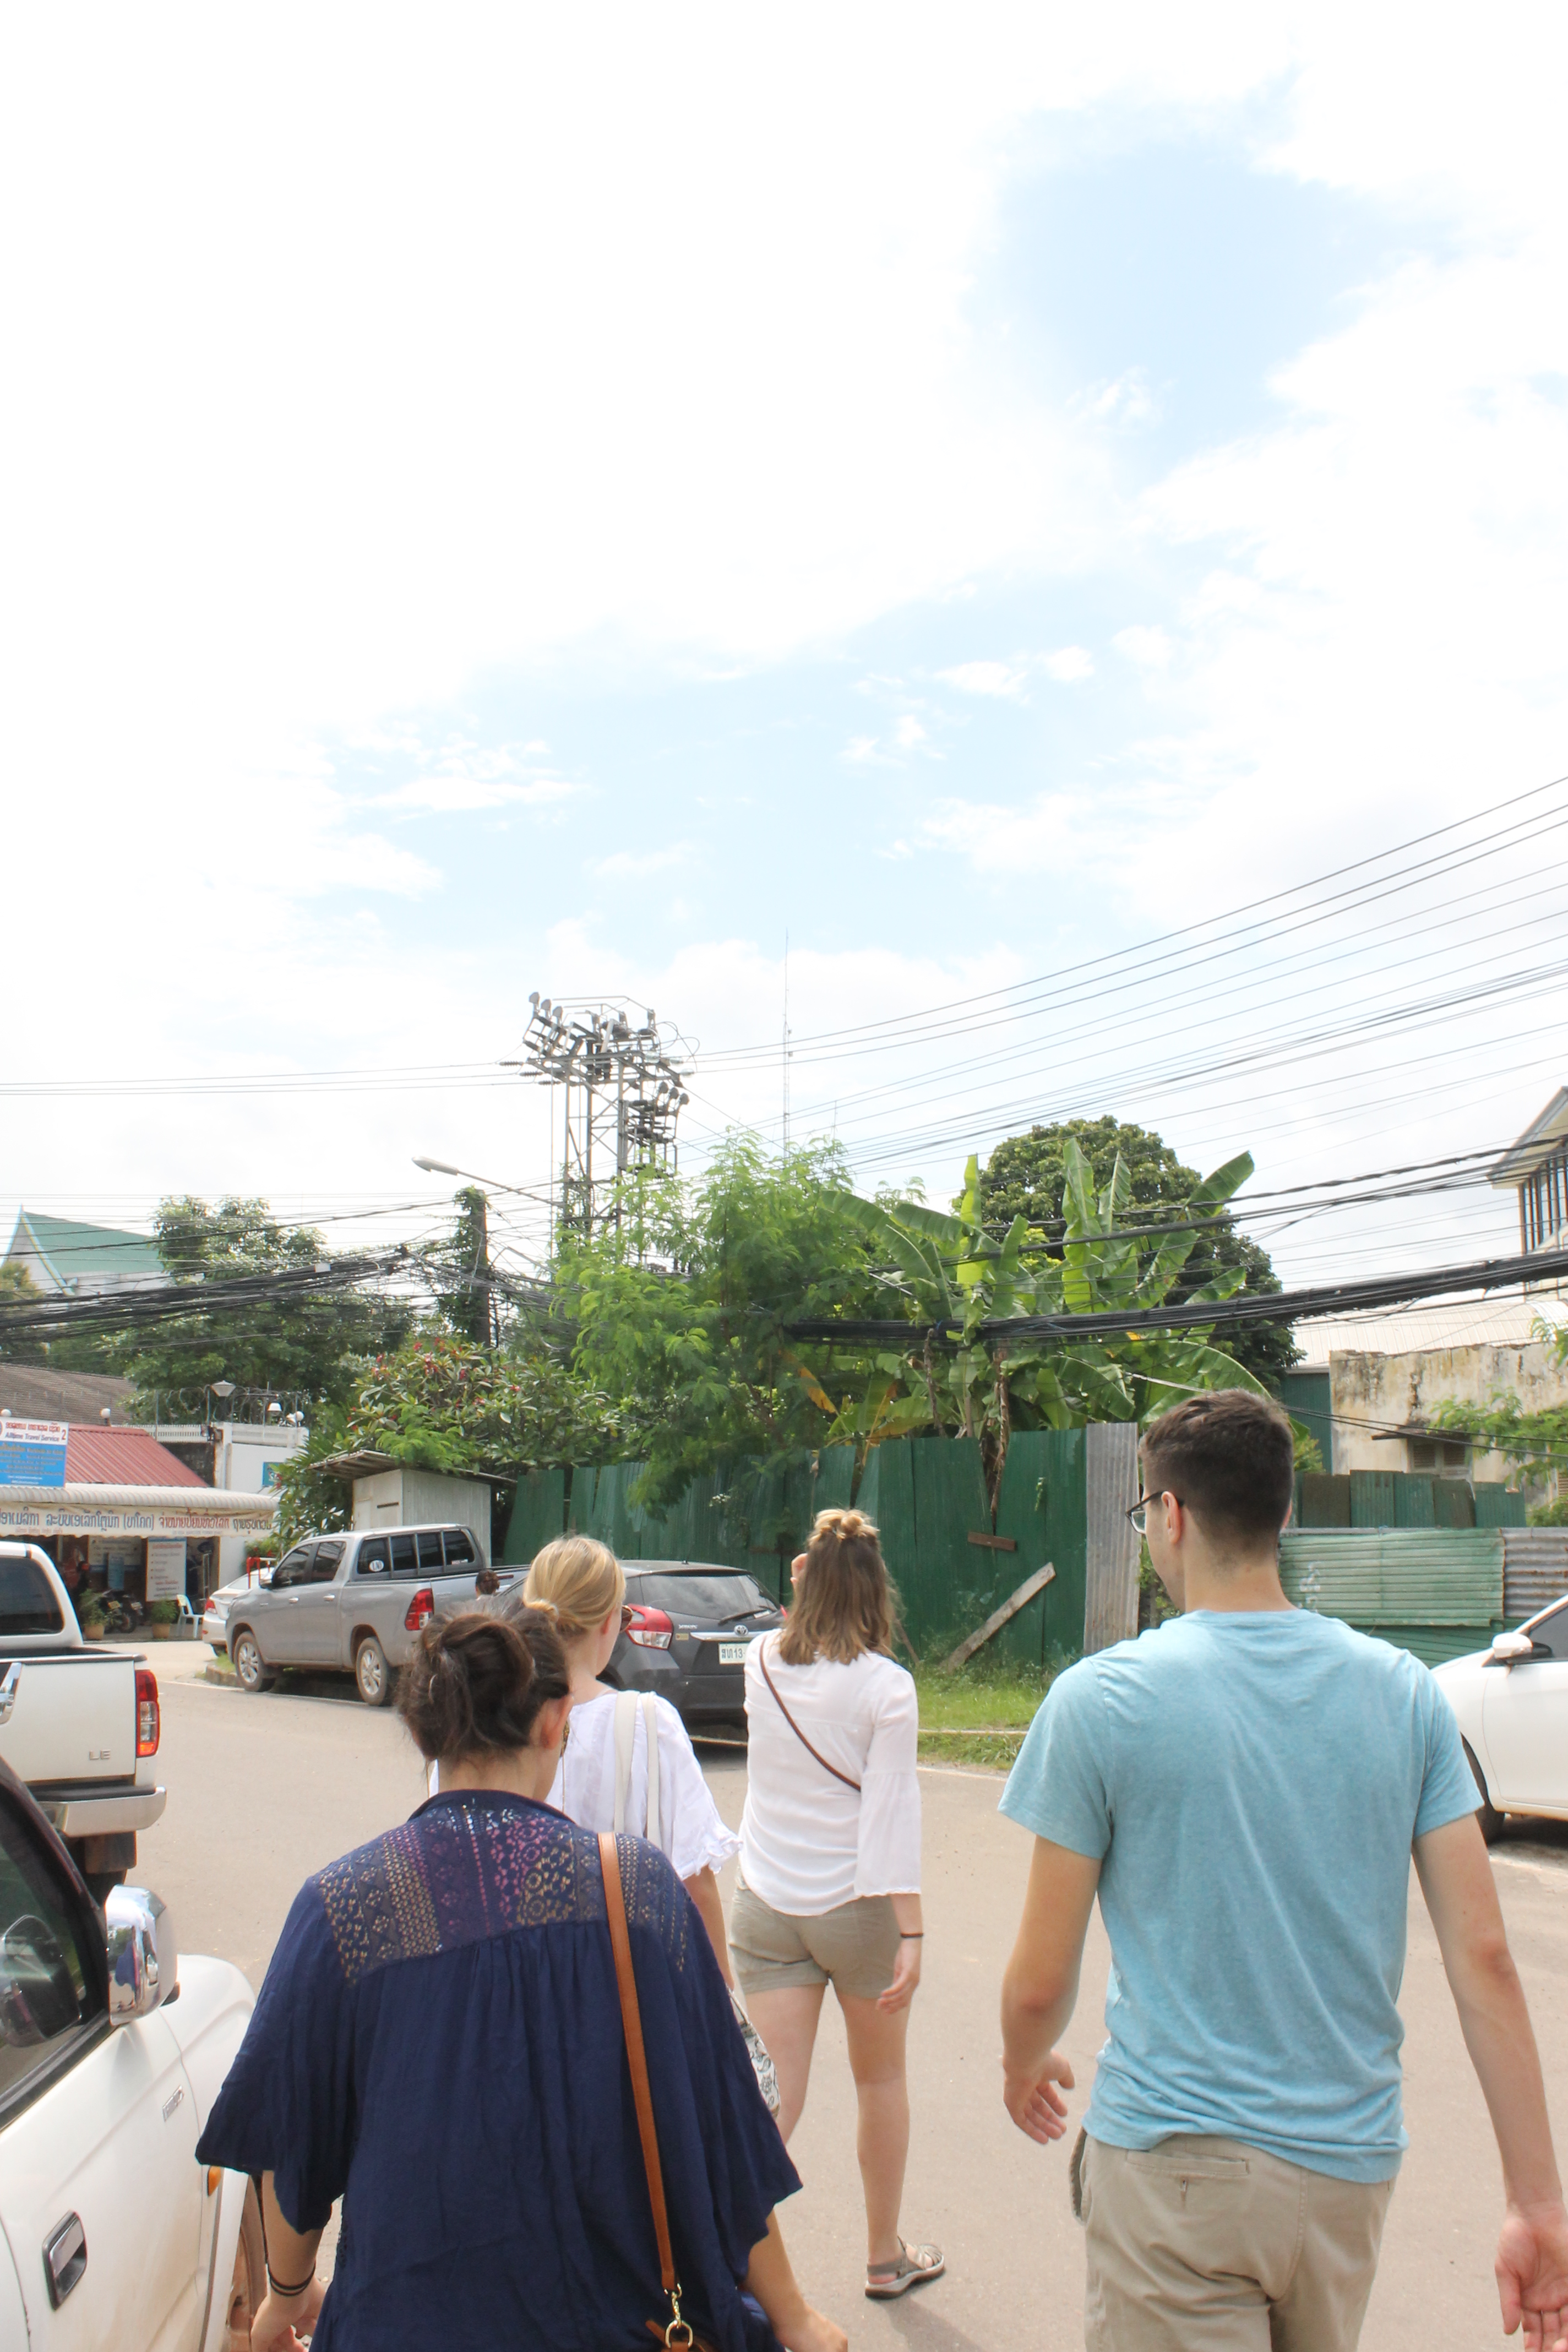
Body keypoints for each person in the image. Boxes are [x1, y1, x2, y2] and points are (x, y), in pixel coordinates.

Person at [998, 1387, 1568, 2352]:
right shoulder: (1405, 1694)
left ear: (1169, 1515)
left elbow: (1039, 1983)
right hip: (1347, 2178)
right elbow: (1485, 1960)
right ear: (1285, 1513)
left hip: (1174, 2174)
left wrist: (1022, 2063)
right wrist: (1537, 2204)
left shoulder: (1101, 1700)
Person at [194, 1606, 846, 2352]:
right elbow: (722, 2130)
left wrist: (286, 2293)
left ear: (423, 1734)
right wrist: (793, 2316)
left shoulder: (342, 1909)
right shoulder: (634, 1890)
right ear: (554, 1722)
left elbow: (293, 2147)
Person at [734, 1506, 941, 2302]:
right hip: (856, 1909)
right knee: (879, 2082)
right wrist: (912, 1932)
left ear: (806, 1581)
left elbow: (792, 1614)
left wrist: (807, 1574)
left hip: (766, 1902)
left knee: (775, 2094)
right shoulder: (889, 1689)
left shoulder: (761, 1661)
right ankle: (884, 2258)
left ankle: (715, 2249)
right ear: (877, 1590)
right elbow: (891, 1815)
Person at [524, 1534, 741, 1983]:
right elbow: (695, 1880)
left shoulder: (484, 1722)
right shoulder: (647, 1722)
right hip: (620, 1984)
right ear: (609, 1622)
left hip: (517, 1979)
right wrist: (720, 1986)